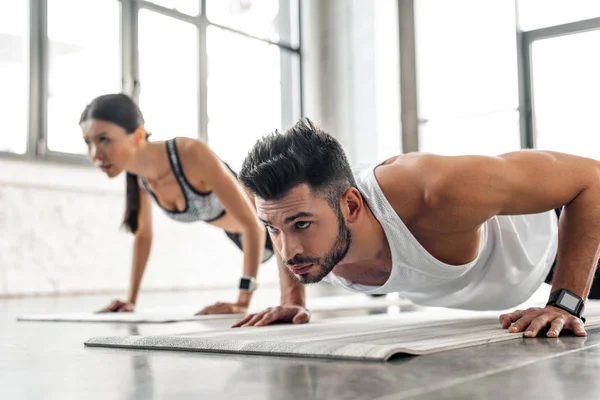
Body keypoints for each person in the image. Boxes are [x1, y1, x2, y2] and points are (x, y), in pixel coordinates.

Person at [233, 118, 600, 338]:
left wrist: (565, 304)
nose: (287, 251)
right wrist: (291, 301)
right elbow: (284, 220)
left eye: (301, 225)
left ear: (350, 206)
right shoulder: (297, 219)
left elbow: (591, 179)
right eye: (273, 229)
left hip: (559, 246)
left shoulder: (437, 190)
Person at [80, 93, 275, 315]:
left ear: (138, 135)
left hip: (276, 227)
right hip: (247, 238)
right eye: (88, 142)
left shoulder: (191, 153)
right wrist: (131, 301)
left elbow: (253, 226)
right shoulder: (140, 177)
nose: (95, 154)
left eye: (104, 139)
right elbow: (143, 236)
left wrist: (242, 302)